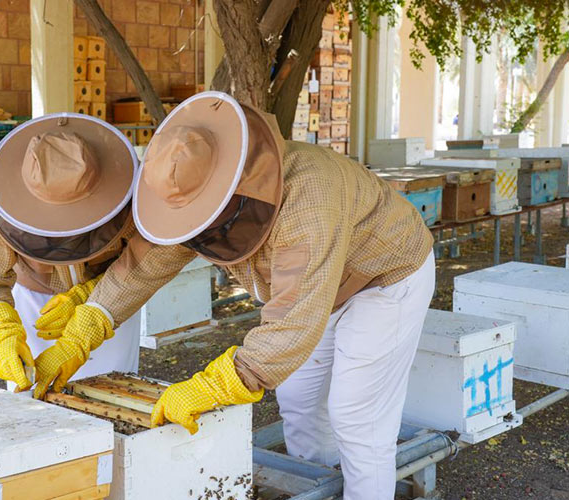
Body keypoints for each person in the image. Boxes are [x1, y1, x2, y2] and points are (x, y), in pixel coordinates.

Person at [33, 91, 435, 499]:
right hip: (321, 288)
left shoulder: (309, 198)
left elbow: (293, 324)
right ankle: (323, 487)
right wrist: (88, 324)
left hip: (384, 279)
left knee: (357, 418)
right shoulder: (200, 181)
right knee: (299, 403)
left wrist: (214, 385)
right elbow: (146, 263)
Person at [0, 112, 141, 394]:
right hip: (35, 302)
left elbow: (144, 261)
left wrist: (91, 298)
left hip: (112, 299)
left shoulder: (132, 190)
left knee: (112, 392)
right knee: (33, 397)